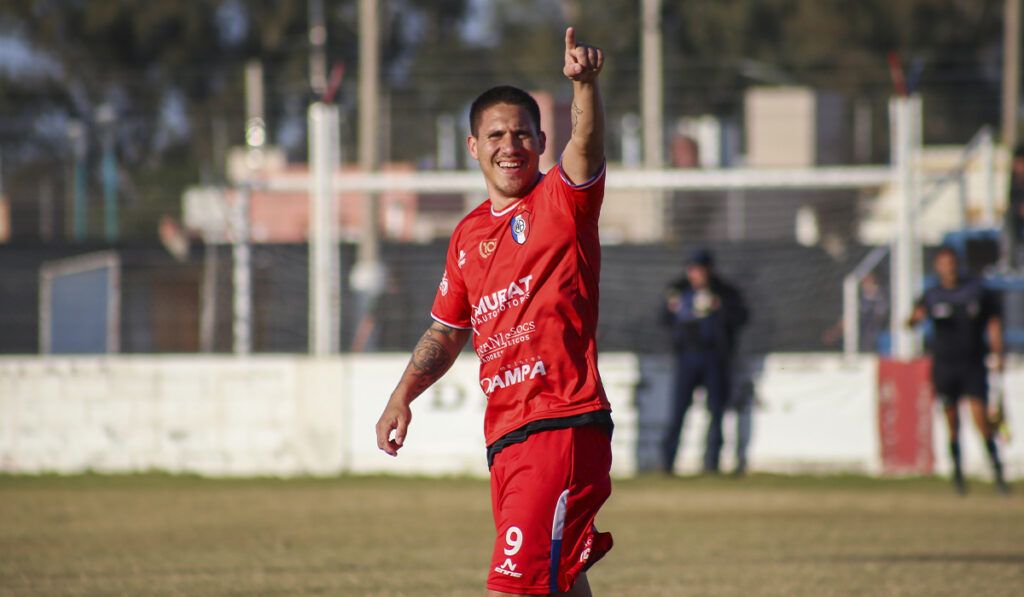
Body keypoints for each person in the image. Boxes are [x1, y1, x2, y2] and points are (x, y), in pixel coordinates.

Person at [375, 28, 612, 597]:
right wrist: (401, 396)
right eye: (497, 135)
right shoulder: (467, 236)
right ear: (473, 146)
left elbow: (586, 143)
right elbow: (446, 331)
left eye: (523, 134)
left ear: (542, 141)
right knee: (559, 580)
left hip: (558, 423)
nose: (511, 145)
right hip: (507, 435)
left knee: (511, 588)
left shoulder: (563, 200)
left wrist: (583, 86)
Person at [907, 247, 1009, 495]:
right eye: (944, 263)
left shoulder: (976, 291)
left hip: (972, 364)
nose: (949, 268)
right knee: (952, 422)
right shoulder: (932, 295)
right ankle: (958, 477)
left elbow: (994, 322)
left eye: (952, 263)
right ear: (938, 267)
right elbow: (910, 322)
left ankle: (998, 475)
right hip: (945, 366)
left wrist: (998, 352)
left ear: (958, 265)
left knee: (981, 420)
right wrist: (914, 319)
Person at [659, 249, 749, 475]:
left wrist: (720, 307)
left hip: (714, 357)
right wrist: (672, 308)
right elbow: (662, 318)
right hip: (687, 357)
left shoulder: (724, 292)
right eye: (692, 269)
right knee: (678, 411)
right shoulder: (678, 291)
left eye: (699, 270)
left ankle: (712, 463)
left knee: (716, 411)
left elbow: (741, 317)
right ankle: (667, 463)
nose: (695, 274)